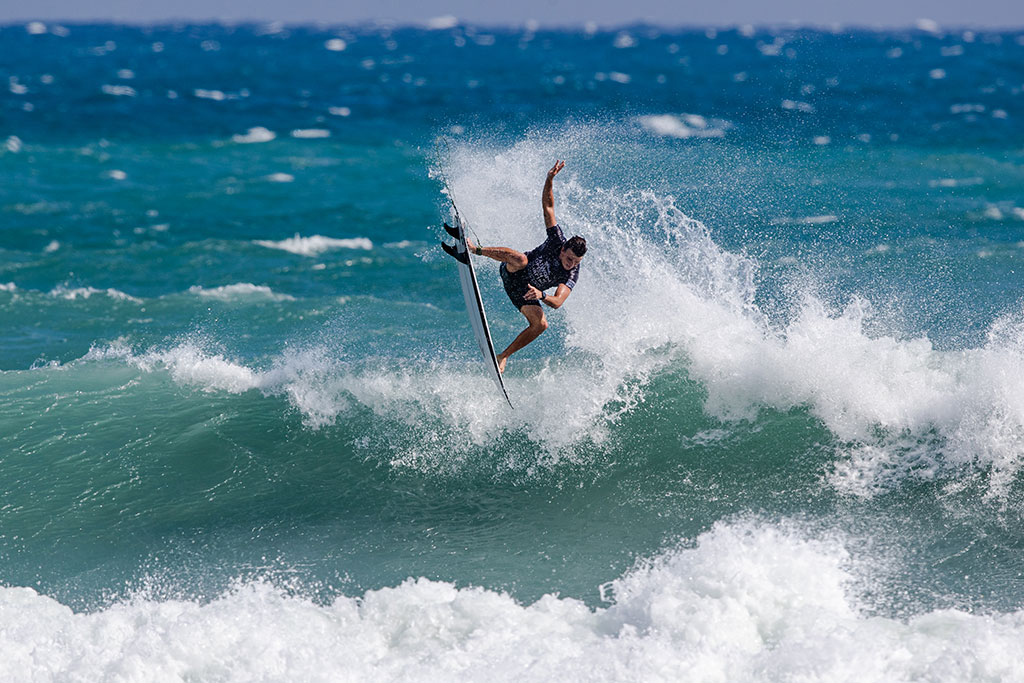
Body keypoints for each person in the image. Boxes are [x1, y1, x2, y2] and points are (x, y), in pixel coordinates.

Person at [448, 161, 587, 373]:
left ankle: (503, 356)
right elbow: (548, 207)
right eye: (569, 259)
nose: (571, 265)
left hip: (526, 293)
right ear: (563, 250)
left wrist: (541, 295)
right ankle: (475, 251)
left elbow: (558, 302)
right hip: (512, 271)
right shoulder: (556, 240)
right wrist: (549, 179)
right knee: (522, 260)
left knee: (541, 325)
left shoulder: (572, 273)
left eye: (576, 262)